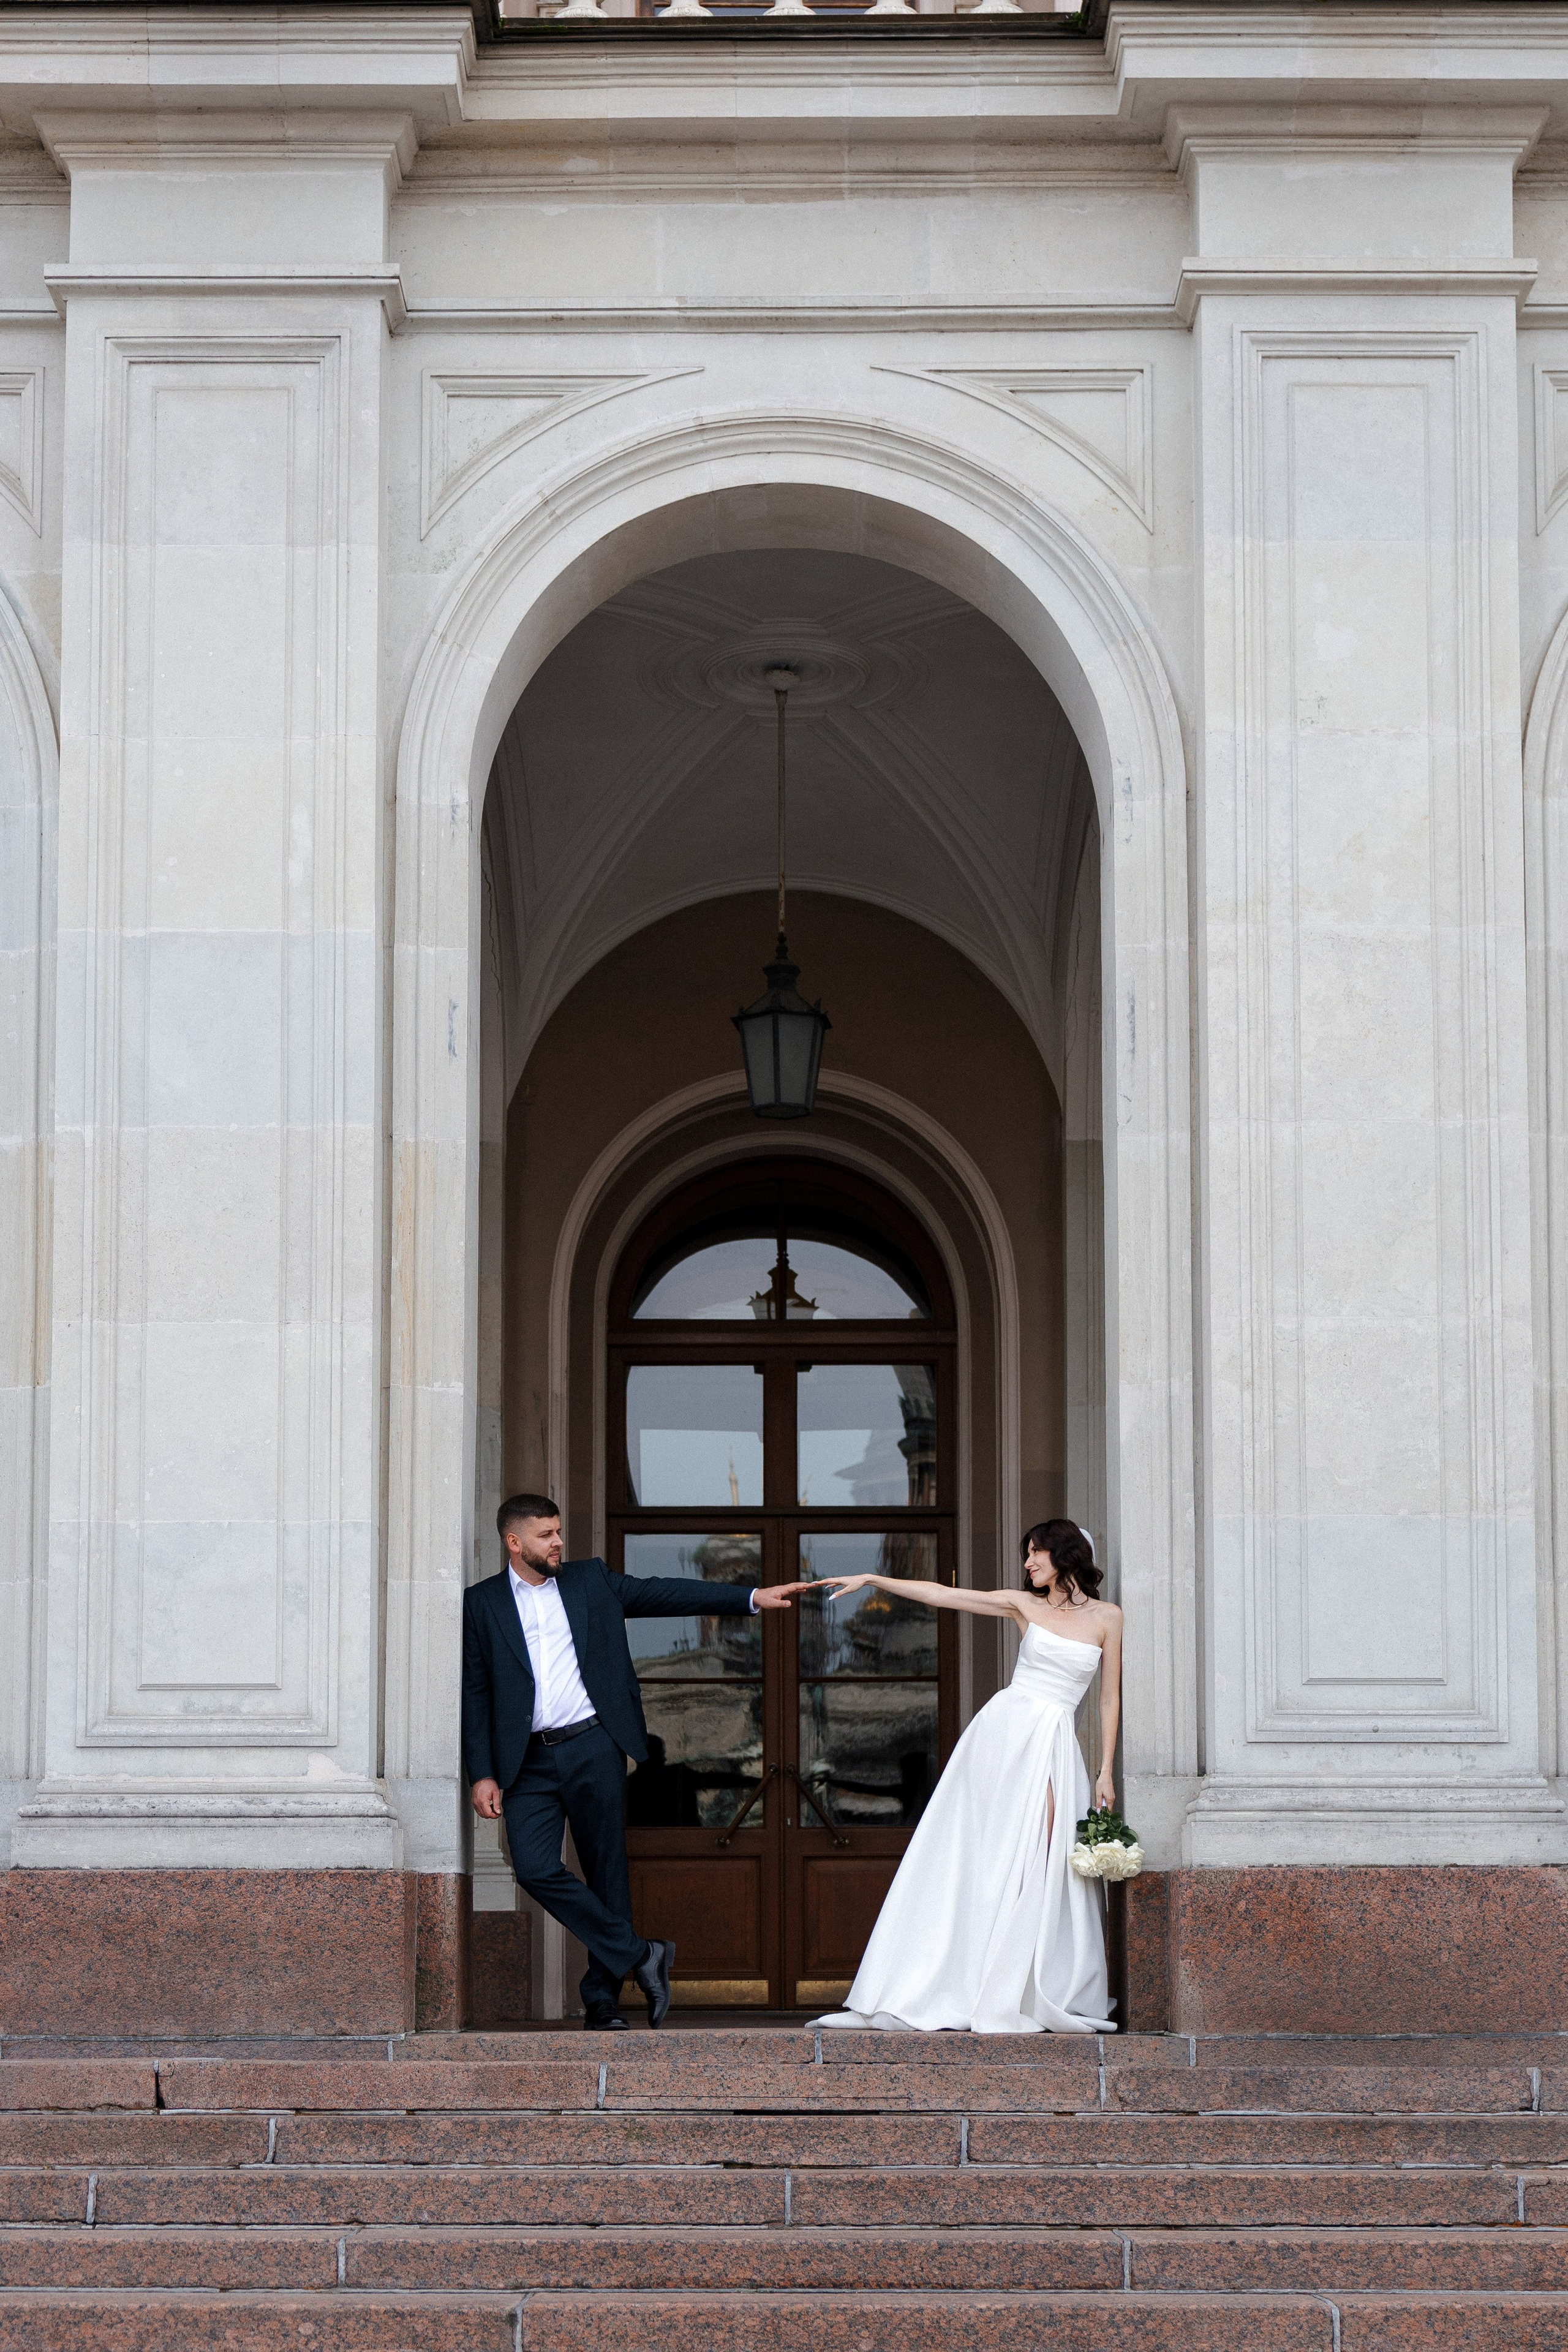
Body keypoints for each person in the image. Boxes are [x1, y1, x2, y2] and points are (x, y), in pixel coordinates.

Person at [462, 1494, 807, 2030]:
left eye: (558, 1531)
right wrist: (482, 1771)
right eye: (545, 1535)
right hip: (525, 1760)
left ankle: (603, 1999)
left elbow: (663, 1593)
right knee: (533, 1867)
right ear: (514, 1542)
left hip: (591, 1746)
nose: (557, 1542)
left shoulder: (589, 1581)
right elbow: (476, 1691)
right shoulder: (481, 1603)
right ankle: (642, 1954)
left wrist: (753, 1597)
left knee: (607, 1875)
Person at [814, 1520, 1122, 2035]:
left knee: (1043, 1854)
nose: (1028, 1563)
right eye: (1027, 1554)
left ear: (1064, 1555)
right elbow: (944, 1595)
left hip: (1054, 1742)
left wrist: (1105, 1769)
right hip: (1003, 1735)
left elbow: (1110, 1697)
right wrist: (875, 1579)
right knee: (991, 1853)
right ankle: (961, 1977)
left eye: (1036, 1553)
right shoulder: (1026, 1606)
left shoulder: (1108, 1617)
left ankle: (1023, 1982)